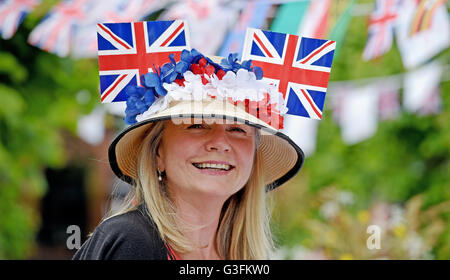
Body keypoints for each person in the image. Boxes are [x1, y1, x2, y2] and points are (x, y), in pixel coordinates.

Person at [72, 49, 304, 260]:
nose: (220, 143)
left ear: (253, 156)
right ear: (157, 153)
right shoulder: (132, 240)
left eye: (237, 129)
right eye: (197, 126)